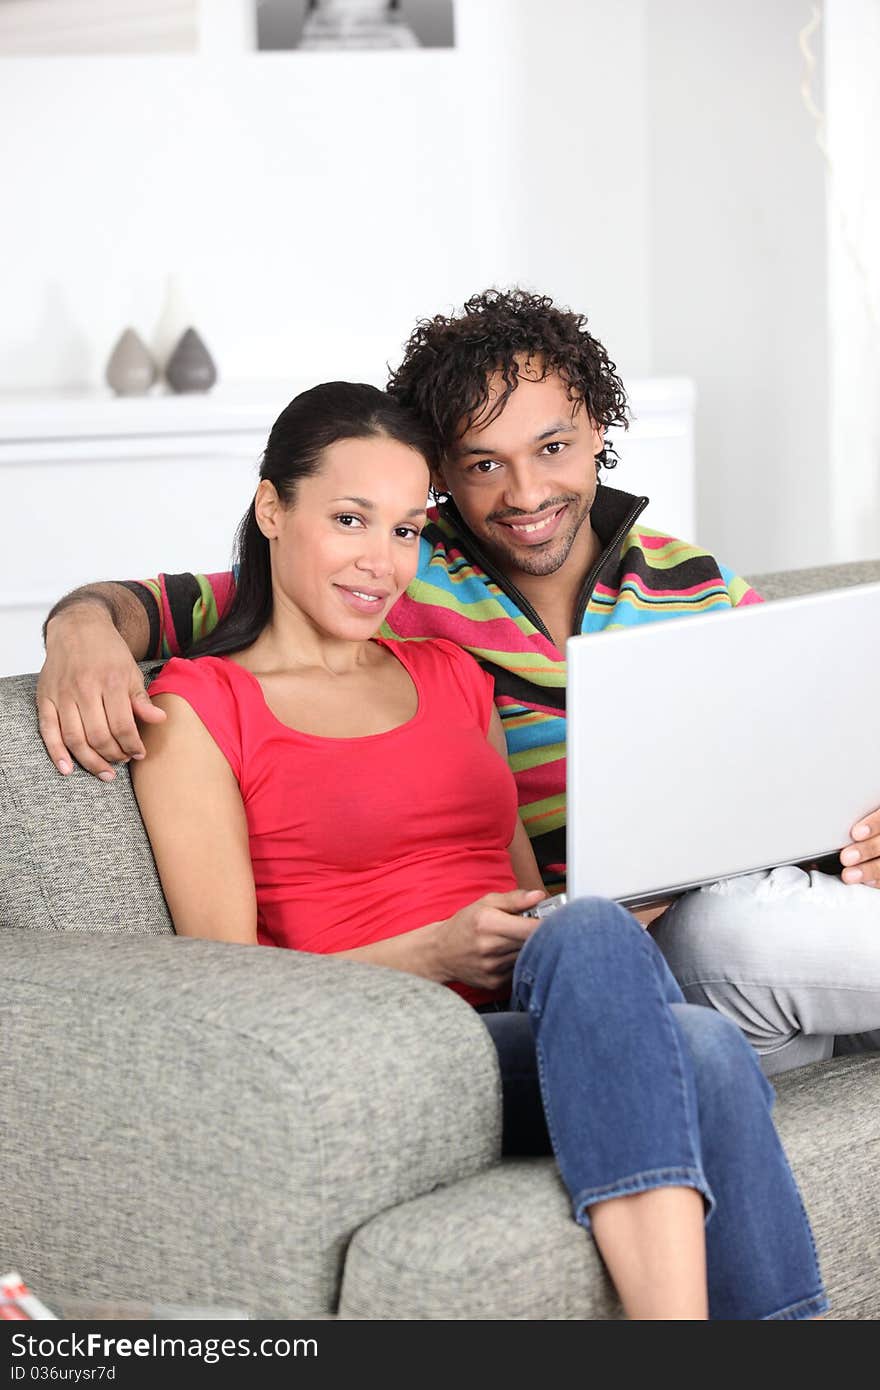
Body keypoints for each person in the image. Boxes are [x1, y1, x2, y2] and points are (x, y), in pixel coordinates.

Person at [36, 288, 880, 1074]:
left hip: (774, 912)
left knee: (760, 912)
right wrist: (80, 626)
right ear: (442, 472)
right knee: (740, 925)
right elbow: (201, 602)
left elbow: (816, 746)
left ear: (596, 428)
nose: (525, 493)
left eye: (552, 448)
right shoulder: (395, 570)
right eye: (483, 465)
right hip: (609, 959)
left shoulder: (696, 579)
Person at [128, 378, 826, 1320]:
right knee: (687, 1036)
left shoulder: (452, 672)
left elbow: (524, 889)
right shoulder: (198, 707)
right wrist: (436, 953)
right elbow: (223, 989)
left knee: (642, 983)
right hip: (379, 1045)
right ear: (271, 509)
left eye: (407, 530)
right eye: (349, 519)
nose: (381, 562)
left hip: (539, 1015)